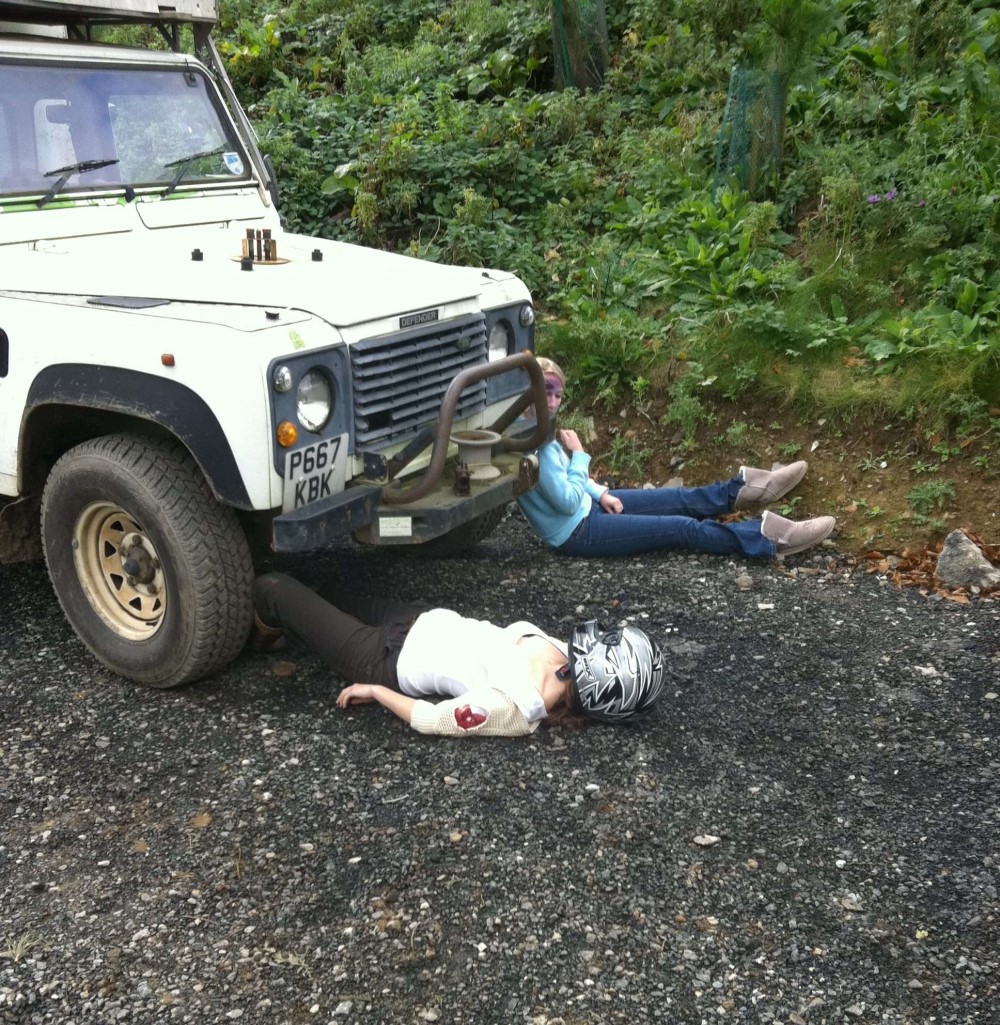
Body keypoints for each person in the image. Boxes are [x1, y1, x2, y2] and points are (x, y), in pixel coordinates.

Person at [252, 572, 665, 738]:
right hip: (416, 620)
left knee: (273, 590)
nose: (601, 636)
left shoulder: (518, 708)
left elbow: (435, 720)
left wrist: (376, 691)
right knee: (325, 587)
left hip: (384, 659)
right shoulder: (565, 657)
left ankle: (250, 627)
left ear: (604, 676)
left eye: (610, 644)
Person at [516, 357, 836, 560]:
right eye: (546, 391)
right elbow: (567, 502)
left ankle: (744, 490)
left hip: (590, 507)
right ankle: (764, 538)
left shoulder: (537, 426)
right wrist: (581, 456)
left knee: (678, 497)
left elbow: (573, 490)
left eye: (558, 394)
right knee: (681, 528)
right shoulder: (531, 445)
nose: (554, 401)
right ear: (528, 392)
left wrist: (600, 493)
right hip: (577, 533)